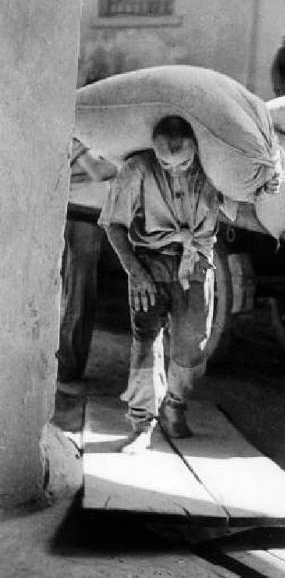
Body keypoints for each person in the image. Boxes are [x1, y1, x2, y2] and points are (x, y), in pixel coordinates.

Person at [98, 116, 226, 453]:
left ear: (196, 151)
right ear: (154, 153)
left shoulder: (212, 171)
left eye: (183, 162)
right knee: (146, 341)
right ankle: (142, 423)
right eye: (166, 164)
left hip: (196, 260)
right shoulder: (136, 170)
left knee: (192, 343)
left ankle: (175, 403)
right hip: (149, 262)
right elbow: (114, 226)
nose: (175, 171)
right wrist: (135, 272)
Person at [55, 139, 116, 408]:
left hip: (89, 218)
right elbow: (99, 172)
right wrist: (126, 160)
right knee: (77, 296)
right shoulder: (77, 133)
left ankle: (69, 369)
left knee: (81, 295)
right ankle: (64, 373)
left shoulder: (93, 135)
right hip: (76, 216)